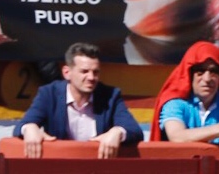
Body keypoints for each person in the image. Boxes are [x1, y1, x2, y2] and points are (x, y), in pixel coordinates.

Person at [14, 42, 143, 159]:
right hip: (60, 170)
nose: (91, 77)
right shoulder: (49, 94)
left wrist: (118, 132)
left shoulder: (110, 96)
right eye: (84, 71)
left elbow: (134, 130)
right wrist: (30, 127)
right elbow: (21, 126)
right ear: (67, 72)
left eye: (96, 72)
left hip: (99, 171)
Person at [150, 41, 219, 145]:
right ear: (189, 74)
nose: (207, 79)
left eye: (214, 71)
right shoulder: (175, 101)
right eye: (200, 71)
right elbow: (177, 136)